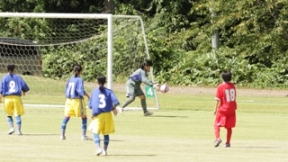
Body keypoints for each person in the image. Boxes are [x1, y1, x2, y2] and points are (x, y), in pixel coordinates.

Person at [88, 75, 119, 156]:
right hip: (108, 115)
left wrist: (93, 113)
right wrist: (114, 108)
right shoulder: (109, 91)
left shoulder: (94, 92)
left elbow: (91, 105)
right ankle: (105, 150)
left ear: (97, 82)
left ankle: (98, 148)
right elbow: (115, 101)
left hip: (99, 115)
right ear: (105, 82)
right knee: (106, 133)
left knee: (95, 132)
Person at [60, 64, 90, 140]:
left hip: (68, 100)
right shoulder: (79, 79)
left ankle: (62, 135)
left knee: (66, 116)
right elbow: (80, 91)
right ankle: (83, 135)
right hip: (77, 100)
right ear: (81, 71)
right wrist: (88, 96)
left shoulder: (70, 79)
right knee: (84, 117)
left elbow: (66, 89)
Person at [0, 64, 29, 135]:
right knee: (17, 114)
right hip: (16, 98)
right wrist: (24, 91)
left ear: (7, 69)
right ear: (14, 69)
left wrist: (0, 98)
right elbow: (25, 87)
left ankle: (11, 128)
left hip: (7, 98)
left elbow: (1, 89)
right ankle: (19, 130)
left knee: (8, 114)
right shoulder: (18, 77)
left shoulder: (4, 78)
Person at [213, 70, 237, 148]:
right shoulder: (233, 85)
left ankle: (217, 138)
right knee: (229, 127)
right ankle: (228, 142)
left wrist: (215, 109)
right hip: (232, 108)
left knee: (216, 123)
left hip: (224, 108)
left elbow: (218, 99)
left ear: (222, 77)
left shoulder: (221, 86)